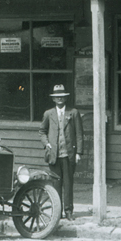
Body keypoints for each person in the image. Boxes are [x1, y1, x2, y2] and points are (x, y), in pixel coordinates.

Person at [39, 84, 84, 220]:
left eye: (62, 96)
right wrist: (46, 143)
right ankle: (57, 212)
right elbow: (42, 131)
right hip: (54, 155)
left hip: (69, 154)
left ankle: (68, 211)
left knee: (68, 183)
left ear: (65, 98)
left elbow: (79, 134)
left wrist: (78, 153)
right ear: (53, 99)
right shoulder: (48, 114)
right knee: (55, 184)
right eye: (57, 96)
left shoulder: (73, 113)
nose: (59, 98)